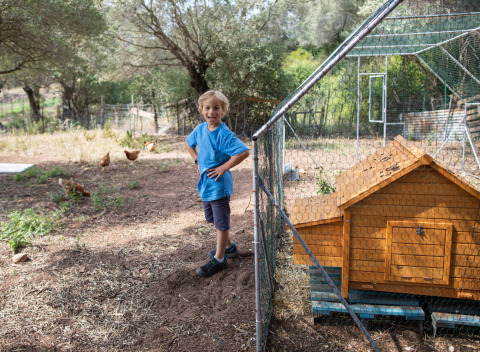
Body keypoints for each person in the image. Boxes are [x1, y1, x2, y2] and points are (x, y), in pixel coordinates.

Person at [185, 90, 250, 277]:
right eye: (207, 108)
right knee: (213, 219)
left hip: (219, 185)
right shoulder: (200, 129)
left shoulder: (224, 134)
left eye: (216, 108)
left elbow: (243, 152)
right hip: (206, 184)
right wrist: (197, 160)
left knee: (221, 224)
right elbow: (188, 143)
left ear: (223, 110)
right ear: (202, 110)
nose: (211, 112)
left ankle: (220, 259)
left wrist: (223, 167)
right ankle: (230, 248)